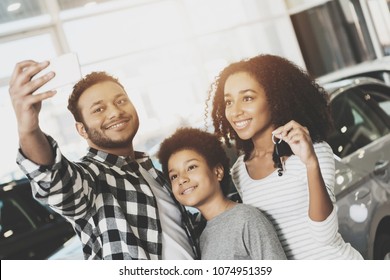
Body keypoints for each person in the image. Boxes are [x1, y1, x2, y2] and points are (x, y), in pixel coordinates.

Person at [8, 60, 199, 260]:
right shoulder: (91, 178)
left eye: (121, 101)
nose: (115, 112)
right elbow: (55, 181)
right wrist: (29, 129)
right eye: (99, 109)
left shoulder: (150, 171)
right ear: (82, 129)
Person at [207, 54, 363, 260]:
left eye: (247, 98)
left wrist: (310, 163)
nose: (235, 111)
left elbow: (324, 236)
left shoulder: (314, 151)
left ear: (275, 100)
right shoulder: (239, 170)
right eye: (228, 102)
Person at [157, 127, 286, 260]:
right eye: (174, 176)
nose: (182, 179)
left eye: (191, 167)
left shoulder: (246, 218)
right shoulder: (198, 236)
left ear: (218, 172)